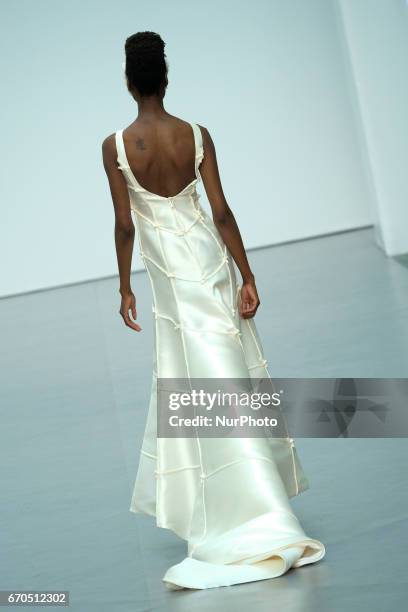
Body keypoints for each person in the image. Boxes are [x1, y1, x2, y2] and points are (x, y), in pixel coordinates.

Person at [102, 30, 325, 590]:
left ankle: (228, 507)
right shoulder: (195, 135)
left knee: (193, 382)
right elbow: (221, 212)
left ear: (130, 82)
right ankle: (261, 501)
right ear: (166, 77)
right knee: (233, 378)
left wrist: (125, 287)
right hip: (210, 266)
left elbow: (126, 223)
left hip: (173, 288)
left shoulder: (118, 146)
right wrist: (247, 274)